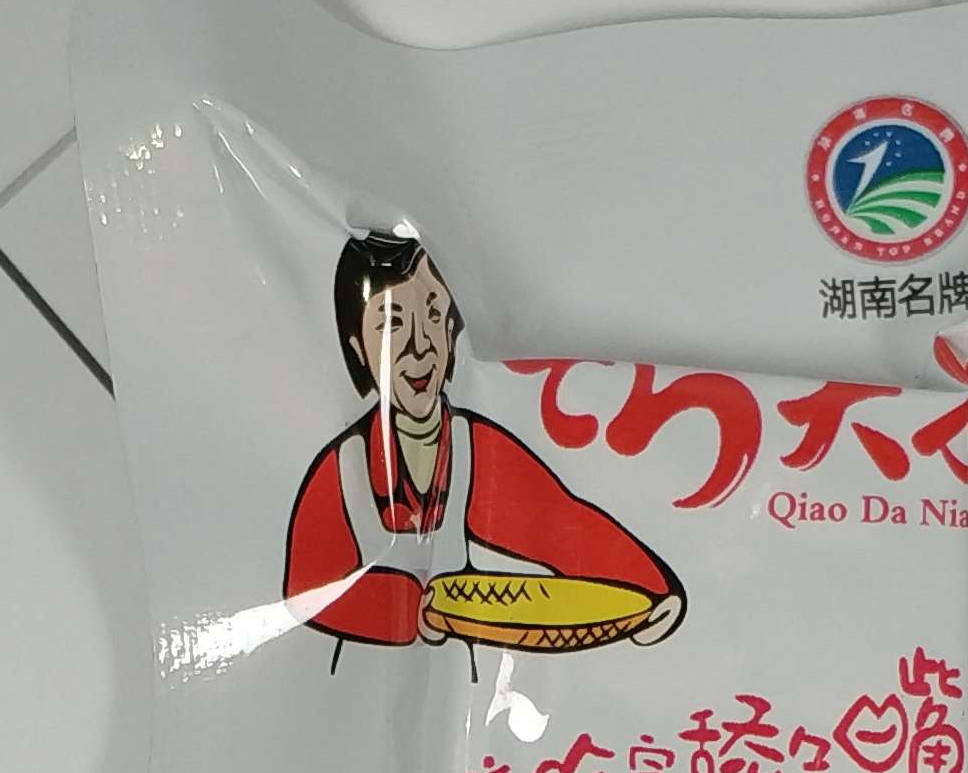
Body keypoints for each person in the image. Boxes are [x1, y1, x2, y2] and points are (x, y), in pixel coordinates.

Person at [282, 232, 683, 655]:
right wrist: (417, 606)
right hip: (348, 681)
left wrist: (651, 589)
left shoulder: (473, 449)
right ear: (359, 349)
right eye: (393, 324)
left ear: (451, 331)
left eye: (433, 316)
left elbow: (561, 526)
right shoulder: (342, 469)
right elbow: (307, 591)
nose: (419, 347)